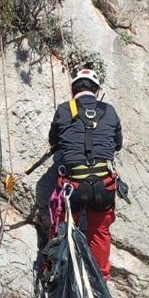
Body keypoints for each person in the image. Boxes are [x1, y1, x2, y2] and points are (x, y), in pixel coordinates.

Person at [47, 67, 123, 280]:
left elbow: (54, 141)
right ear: (97, 91)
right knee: (100, 232)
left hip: (74, 186)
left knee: (61, 228)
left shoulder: (64, 110)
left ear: (73, 91)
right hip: (103, 187)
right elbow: (117, 144)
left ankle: (55, 271)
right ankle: (100, 280)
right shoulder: (109, 111)